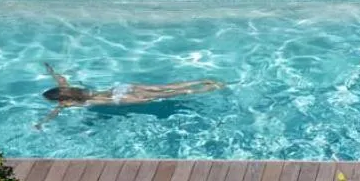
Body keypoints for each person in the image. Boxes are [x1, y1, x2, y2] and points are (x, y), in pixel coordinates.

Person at [36, 64, 225, 127]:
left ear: (60, 99)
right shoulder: (70, 89)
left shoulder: (68, 103)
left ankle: (211, 89)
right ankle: (206, 80)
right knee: (164, 87)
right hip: (122, 88)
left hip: (120, 99)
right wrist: (50, 70)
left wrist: (41, 123)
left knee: (171, 95)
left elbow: (53, 113)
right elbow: (60, 79)